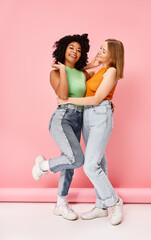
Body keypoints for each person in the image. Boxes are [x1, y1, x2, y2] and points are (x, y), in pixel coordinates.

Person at [58, 39, 124, 225]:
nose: (99, 51)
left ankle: (114, 201)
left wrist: (67, 100)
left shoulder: (112, 71)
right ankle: (101, 206)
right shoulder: (99, 71)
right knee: (99, 162)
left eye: (104, 50)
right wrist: (93, 63)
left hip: (99, 115)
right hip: (88, 116)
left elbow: (96, 99)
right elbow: (78, 73)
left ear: (113, 55)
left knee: (90, 165)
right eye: (100, 48)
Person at [32, 34, 90, 220]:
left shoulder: (83, 74)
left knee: (69, 163)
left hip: (79, 120)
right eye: (72, 47)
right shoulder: (55, 72)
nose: (75, 51)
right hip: (63, 118)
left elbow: (93, 92)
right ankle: (43, 166)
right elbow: (63, 95)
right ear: (63, 49)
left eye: (79, 50)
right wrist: (64, 70)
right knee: (76, 158)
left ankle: (61, 204)